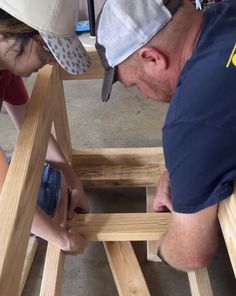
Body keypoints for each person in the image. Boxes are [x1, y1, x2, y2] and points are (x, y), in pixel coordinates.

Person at [96, 0, 236, 271]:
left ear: (152, 57)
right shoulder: (226, 11)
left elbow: (190, 254)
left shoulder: (192, 117)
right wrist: (181, 171)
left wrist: (162, 248)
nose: (144, 96)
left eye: (136, 84)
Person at [0, 0, 91, 253]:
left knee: (51, 185)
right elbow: (5, 189)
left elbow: (30, 125)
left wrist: (74, 181)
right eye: (46, 51)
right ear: (7, 37)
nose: (51, 62)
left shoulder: (5, 69)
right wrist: (62, 239)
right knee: (44, 201)